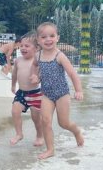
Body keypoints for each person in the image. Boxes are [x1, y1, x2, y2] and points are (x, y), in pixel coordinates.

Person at [30, 22, 84, 160]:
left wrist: (78, 90)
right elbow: (34, 67)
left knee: (63, 123)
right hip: (46, 94)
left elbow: (73, 74)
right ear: (38, 39)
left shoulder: (60, 56)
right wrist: (35, 76)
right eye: (44, 37)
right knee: (45, 120)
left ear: (57, 38)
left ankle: (76, 131)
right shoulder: (38, 55)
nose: (48, 39)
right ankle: (50, 149)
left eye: (52, 36)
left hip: (62, 94)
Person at [10, 31, 43, 146]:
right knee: (15, 111)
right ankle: (19, 134)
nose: (23, 48)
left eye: (27, 46)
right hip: (22, 93)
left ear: (36, 48)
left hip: (35, 94)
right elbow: (14, 74)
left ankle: (39, 135)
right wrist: (13, 85)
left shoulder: (38, 62)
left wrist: (38, 79)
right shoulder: (18, 60)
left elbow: (41, 76)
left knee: (36, 118)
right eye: (21, 46)